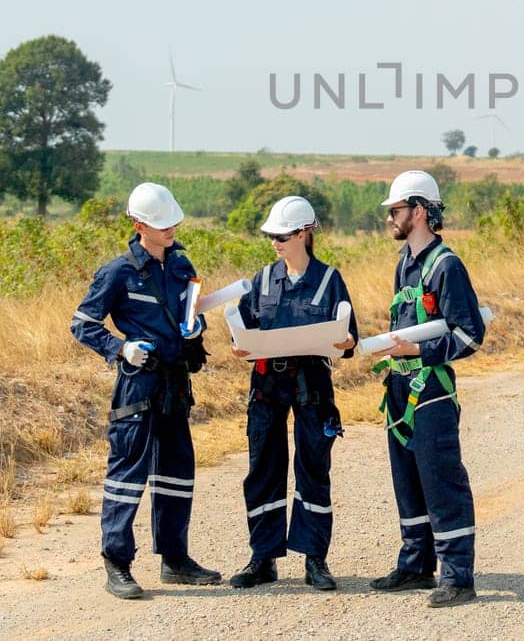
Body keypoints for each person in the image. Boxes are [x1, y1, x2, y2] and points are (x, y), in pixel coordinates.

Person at [70, 182, 222, 599]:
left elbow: (193, 313)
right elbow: (82, 324)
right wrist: (120, 348)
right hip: (138, 386)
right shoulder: (117, 271)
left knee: (177, 474)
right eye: (161, 223)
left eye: (173, 220)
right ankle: (117, 564)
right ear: (139, 224)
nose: (170, 228)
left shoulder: (181, 265)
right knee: (127, 476)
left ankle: (175, 560)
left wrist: (197, 329)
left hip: (176, 385)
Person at [228, 195, 360, 591]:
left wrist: (347, 341)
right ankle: (262, 559)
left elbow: (352, 338)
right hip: (267, 387)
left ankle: (315, 560)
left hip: (313, 389)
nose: (275, 242)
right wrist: (240, 345)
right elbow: (244, 328)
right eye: (271, 235)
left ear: (304, 233)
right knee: (263, 470)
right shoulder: (263, 279)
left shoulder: (330, 279)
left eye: (282, 234)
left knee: (313, 470)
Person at [369, 170, 485, 608]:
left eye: (395, 211)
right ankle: (417, 564)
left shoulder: (447, 266)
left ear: (418, 211)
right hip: (398, 388)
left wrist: (421, 349)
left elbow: (471, 335)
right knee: (409, 481)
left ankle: (457, 576)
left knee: (442, 482)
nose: (389, 219)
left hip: (431, 390)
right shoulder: (404, 263)